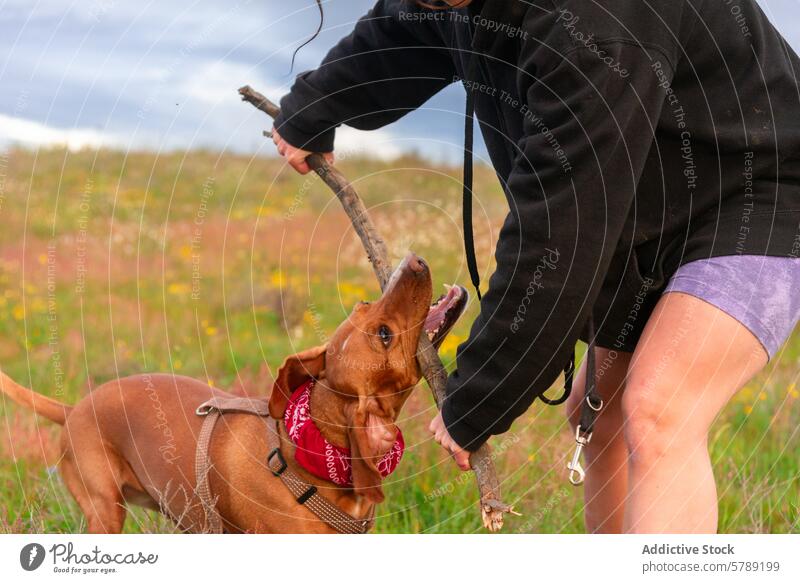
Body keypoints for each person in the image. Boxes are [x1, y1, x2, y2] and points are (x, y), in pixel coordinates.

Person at [271, 0, 800, 533]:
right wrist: (314, 108)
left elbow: (560, 229)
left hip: (763, 190)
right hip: (641, 206)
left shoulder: (598, 21)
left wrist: (478, 397)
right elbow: (402, 33)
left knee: (657, 408)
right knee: (596, 414)